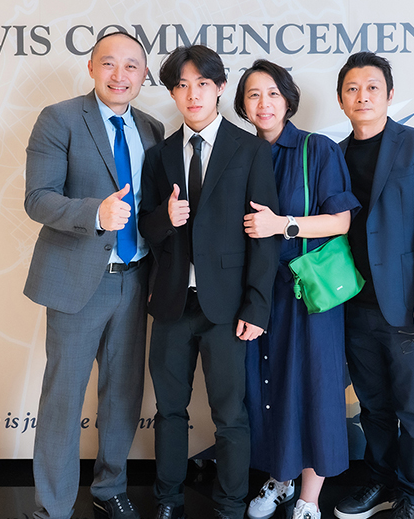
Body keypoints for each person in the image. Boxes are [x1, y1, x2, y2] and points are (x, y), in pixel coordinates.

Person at [23, 31, 165, 519]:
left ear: (144, 75)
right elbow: (37, 198)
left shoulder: (151, 128)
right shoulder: (59, 118)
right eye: (109, 63)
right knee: (63, 398)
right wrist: (95, 214)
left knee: (123, 395)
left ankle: (110, 487)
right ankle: (53, 507)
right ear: (91, 68)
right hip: (77, 281)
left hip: (136, 280)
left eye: (131, 66)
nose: (120, 75)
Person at [138, 45, 280, 519]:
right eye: (182, 85)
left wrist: (257, 306)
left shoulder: (250, 150)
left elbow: (264, 237)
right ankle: (167, 500)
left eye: (202, 84)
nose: (192, 94)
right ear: (173, 94)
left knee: (230, 415)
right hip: (172, 305)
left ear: (220, 87)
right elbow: (146, 228)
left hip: (229, 308)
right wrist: (166, 217)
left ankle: (231, 505)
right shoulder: (159, 156)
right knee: (169, 411)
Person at [235, 60, 361, 519]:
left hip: (308, 292)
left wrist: (282, 225)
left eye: (272, 93)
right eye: (253, 95)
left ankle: (309, 497)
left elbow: (340, 221)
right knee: (266, 388)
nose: (263, 103)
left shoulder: (316, 149)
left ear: (288, 100)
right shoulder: (238, 153)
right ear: (242, 105)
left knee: (313, 387)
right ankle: (280, 478)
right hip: (256, 295)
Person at [332, 52, 414, 519]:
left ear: (388, 94)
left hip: (406, 306)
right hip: (354, 305)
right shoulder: (336, 155)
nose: (362, 96)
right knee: (373, 407)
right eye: (352, 88)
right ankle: (380, 481)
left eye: (372, 87)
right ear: (341, 99)